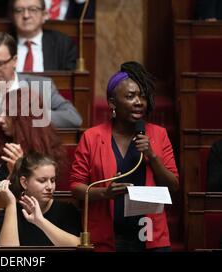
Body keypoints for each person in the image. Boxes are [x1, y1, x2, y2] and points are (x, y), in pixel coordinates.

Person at [70, 61, 179, 252]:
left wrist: (152, 156)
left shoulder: (158, 134)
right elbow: (76, 187)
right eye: (130, 96)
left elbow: (173, 185)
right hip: (106, 238)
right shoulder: (92, 137)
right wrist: (104, 193)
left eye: (142, 97)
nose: (139, 102)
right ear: (112, 102)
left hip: (151, 237)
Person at [0, 32, 82, 129]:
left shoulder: (42, 87)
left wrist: (31, 117)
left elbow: (73, 118)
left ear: (15, 60)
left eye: (0, 63)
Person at [0, 87, 69, 190]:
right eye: (0, 112)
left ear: (24, 120)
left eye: (8, 114)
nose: (0, 119)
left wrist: (21, 169)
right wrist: (10, 176)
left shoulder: (49, 149)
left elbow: (48, 193)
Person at [0, 152, 81, 246]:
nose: (49, 187)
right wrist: (11, 204)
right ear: (24, 182)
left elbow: (78, 246)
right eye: (42, 180)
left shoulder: (66, 211)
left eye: (52, 180)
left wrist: (40, 221)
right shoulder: (8, 213)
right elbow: (8, 258)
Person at [9, 0, 77, 72]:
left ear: (44, 15)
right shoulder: (3, 44)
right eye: (19, 11)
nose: (26, 15)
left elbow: (68, 81)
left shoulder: (63, 44)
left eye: (33, 9)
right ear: (12, 16)